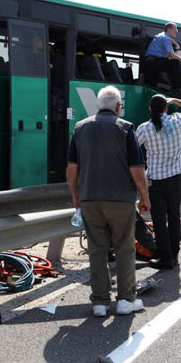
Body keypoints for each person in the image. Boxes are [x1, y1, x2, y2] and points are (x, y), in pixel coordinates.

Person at [67, 85, 151, 316]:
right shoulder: (125, 128)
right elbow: (136, 168)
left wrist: (75, 195)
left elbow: (72, 167)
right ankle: (125, 300)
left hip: (89, 198)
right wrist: (144, 196)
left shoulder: (80, 128)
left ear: (98, 105)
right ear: (118, 106)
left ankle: (100, 303)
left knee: (97, 250)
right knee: (124, 248)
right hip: (120, 198)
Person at [136, 95, 181, 270]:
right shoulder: (177, 120)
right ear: (166, 108)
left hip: (156, 181)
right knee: (174, 216)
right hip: (175, 178)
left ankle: (166, 258)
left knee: (159, 219)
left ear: (150, 109)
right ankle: (174, 253)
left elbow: (132, 150)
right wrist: (176, 101)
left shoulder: (144, 128)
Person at [143, 22, 181, 94]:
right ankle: (176, 89)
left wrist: (176, 44)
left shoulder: (161, 35)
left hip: (150, 63)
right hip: (153, 62)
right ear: (169, 29)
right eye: (175, 30)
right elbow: (172, 55)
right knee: (175, 63)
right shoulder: (166, 38)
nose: (176, 32)